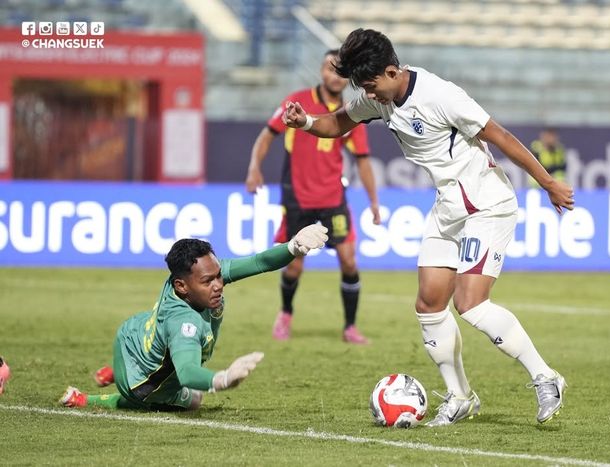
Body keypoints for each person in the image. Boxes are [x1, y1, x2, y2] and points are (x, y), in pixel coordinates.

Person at [281, 29, 575, 425]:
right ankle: (460, 397)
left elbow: (500, 136)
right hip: (449, 208)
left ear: (391, 70)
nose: (369, 95)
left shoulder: (441, 96)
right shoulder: (377, 96)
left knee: (470, 303)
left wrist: (549, 183)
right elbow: (338, 123)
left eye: (372, 86)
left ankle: (546, 377)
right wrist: (306, 122)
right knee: (430, 304)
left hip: (486, 204)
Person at [60, 224, 328, 411]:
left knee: (164, 347)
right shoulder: (183, 323)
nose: (218, 284)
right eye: (208, 281)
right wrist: (222, 379)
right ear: (181, 286)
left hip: (133, 334)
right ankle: (89, 397)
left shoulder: (196, 276)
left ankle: (116, 370)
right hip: (142, 384)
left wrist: (294, 246)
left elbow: (259, 262)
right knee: (195, 400)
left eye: (219, 275)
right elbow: (187, 372)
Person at [246, 49, 381, 344]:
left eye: (340, 71)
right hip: (298, 199)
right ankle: (285, 314)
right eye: (329, 69)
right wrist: (254, 167)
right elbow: (268, 134)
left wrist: (373, 201)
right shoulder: (297, 102)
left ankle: (350, 327)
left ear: (348, 78)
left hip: (333, 199)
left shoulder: (352, 112)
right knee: (293, 264)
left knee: (349, 261)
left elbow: (363, 159)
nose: (334, 75)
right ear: (321, 72)